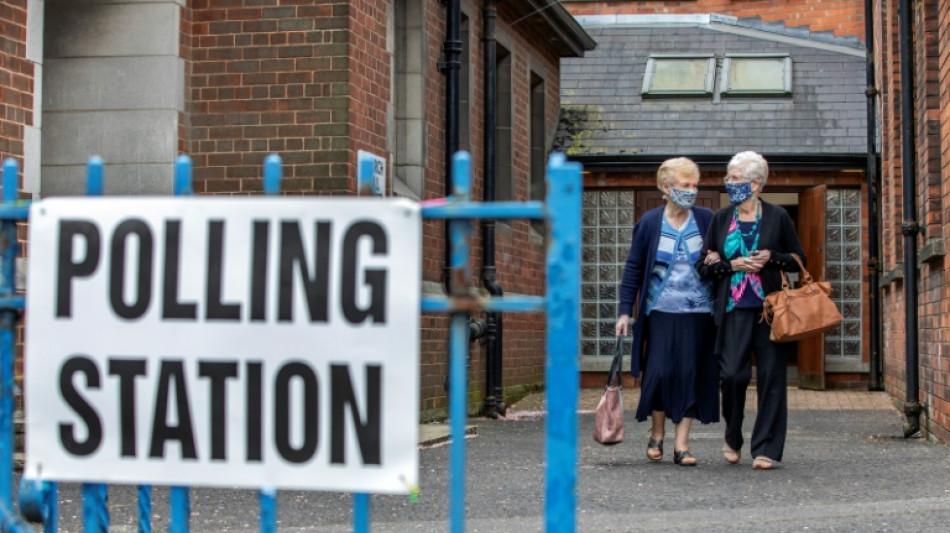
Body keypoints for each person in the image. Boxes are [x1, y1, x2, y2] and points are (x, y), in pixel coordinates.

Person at [697, 151, 805, 470]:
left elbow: (799, 259)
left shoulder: (777, 217)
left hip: (771, 310)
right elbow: (703, 265)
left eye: (735, 178)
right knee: (732, 375)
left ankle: (766, 448)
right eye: (728, 178)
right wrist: (729, 264)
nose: (728, 183)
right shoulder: (721, 218)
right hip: (732, 309)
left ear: (755, 183)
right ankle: (733, 435)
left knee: (772, 377)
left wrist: (771, 256)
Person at [615, 157, 719, 467]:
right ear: (666, 187)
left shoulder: (707, 219)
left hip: (699, 312)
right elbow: (634, 267)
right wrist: (624, 312)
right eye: (685, 185)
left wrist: (717, 260)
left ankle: (682, 445)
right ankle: (657, 434)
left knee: (689, 374)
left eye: (694, 185)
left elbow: (724, 257)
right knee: (660, 372)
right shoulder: (649, 222)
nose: (692, 191)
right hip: (659, 311)